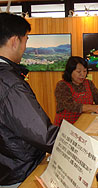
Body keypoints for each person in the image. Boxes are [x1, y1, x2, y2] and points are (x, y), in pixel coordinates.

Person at [0, 13, 59, 187]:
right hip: (19, 171)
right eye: (26, 40)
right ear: (14, 41)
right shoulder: (9, 83)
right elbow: (43, 134)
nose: (25, 46)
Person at [54, 56, 98, 126]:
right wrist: (91, 107)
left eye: (85, 71)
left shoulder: (88, 83)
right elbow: (70, 105)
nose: (82, 74)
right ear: (70, 71)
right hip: (66, 125)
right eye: (78, 71)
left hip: (85, 122)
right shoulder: (62, 85)